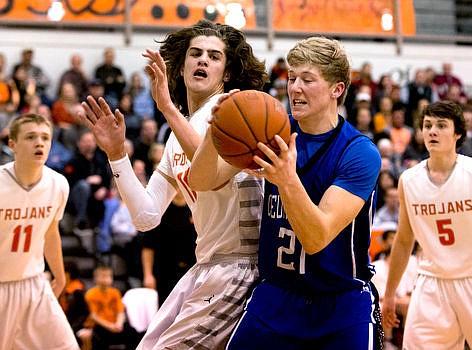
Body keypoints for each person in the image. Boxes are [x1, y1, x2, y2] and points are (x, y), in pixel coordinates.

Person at [79, 19, 267, 349]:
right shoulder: (174, 138)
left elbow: (210, 171)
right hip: (206, 265)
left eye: (214, 56)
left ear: (225, 73)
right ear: (180, 67)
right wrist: (116, 154)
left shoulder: (235, 108)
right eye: (195, 53)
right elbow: (146, 216)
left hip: (242, 266)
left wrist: (166, 107)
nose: (203, 60)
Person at [189, 36, 383, 349]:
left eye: (308, 80)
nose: (294, 88)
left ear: (337, 89)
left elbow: (317, 237)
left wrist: (286, 179)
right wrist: (216, 131)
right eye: (292, 78)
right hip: (276, 295)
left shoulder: (359, 153)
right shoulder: (272, 131)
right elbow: (201, 180)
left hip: (341, 303)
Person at [382, 100, 472, 349]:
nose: (432, 131)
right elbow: (404, 241)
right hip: (431, 283)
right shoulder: (408, 180)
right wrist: (391, 294)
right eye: (427, 126)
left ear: (458, 133)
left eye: (440, 126)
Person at [0, 113, 79, 349]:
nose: (40, 143)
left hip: (33, 284)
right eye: (31, 137)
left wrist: (60, 275)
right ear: (12, 144)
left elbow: (50, 232)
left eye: (46, 138)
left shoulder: (57, 184)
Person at [142, 189, 197, 306]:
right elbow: (148, 247)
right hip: (165, 272)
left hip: (191, 271)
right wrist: (148, 275)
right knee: (165, 310)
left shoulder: (196, 210)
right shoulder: (160, 211)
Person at [79, 265, 139, 350]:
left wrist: (119, 323)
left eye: (109, 276)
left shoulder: (115, 292)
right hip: (99, 326)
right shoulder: (91, 294)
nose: (106, 278)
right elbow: (94, 316)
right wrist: (109, 326)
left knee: (132, 332)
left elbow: (120, 311)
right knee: (98, 337)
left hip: (115, 324)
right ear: (95, 278)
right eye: (103, 276)